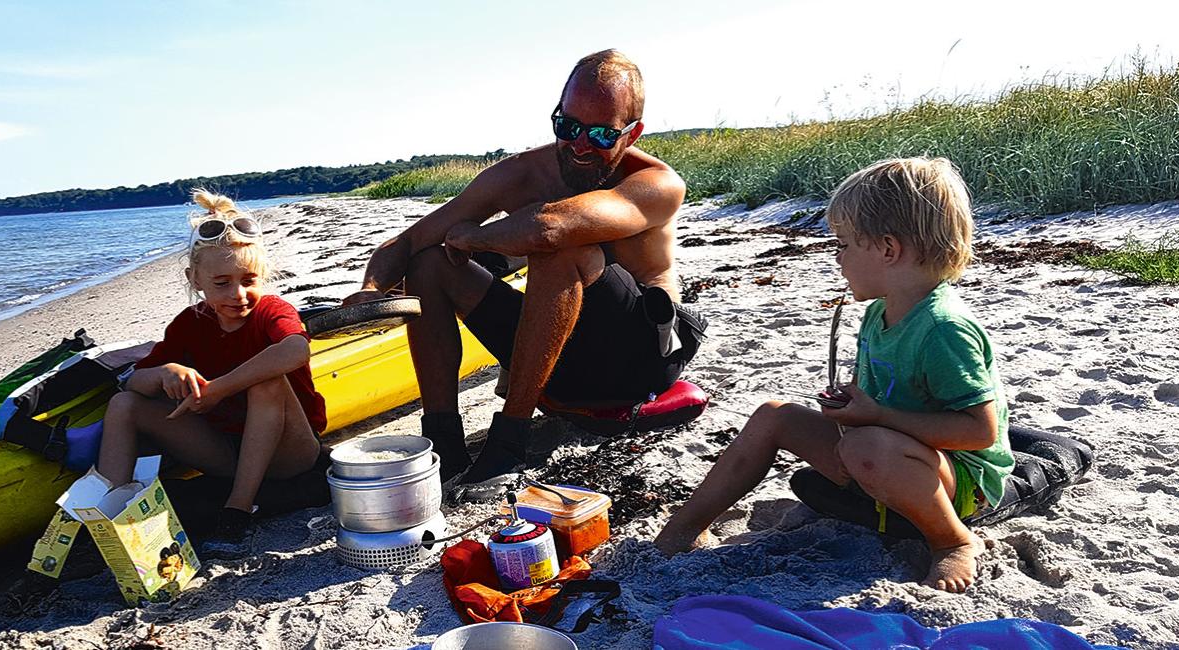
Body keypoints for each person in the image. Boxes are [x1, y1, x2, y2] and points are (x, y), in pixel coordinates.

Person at [653, 158, 1014, 593]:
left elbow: (979, 432)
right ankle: (684, 529)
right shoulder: (880, 311)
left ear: (887, 249)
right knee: (776, 415)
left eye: (843, 245)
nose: (837, 258)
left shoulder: (942, 327)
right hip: (889, 452)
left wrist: (878, 416)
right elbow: (886, 398)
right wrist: (852, 406)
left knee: (867, 445)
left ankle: (952, 541)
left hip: (959, 480)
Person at [345, 49, 701, 486]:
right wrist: (372, 287)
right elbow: (410, 240)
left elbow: (551, 229)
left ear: (632, 133)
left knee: (563, 247)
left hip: (636, 360)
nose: (581, 145)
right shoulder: (521, 173)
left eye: (601, 135)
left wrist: (472, 238)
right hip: (559, 359)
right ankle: (444, 439)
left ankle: (509, 439)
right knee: (430, 263)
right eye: (568, 127)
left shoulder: (656, 183)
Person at [97, 189, 325, 559]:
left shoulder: (271, 311)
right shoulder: (191, 323)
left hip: (291, 453)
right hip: (226, 452)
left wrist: (219, 388)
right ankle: (112, 514)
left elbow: (296, 350)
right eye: (222, 283)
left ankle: (236, 511)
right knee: (125, 404)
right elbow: (134, 380)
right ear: (196, 279)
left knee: (266, 378)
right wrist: (167, 372)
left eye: (248, 280)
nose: (238, 294)